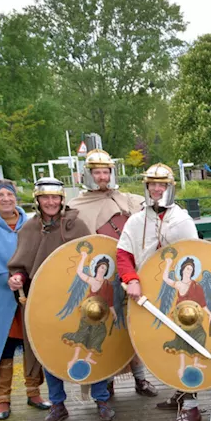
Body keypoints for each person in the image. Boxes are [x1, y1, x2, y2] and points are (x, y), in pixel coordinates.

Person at [7, 178, 114, 421]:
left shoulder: (77, 225)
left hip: (81, 302)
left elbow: (97, 258)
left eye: (55, 197)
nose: (51, 202)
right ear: (38, 200)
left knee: (90, 345)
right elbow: (22, 266)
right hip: (46, 301)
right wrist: (16, 278)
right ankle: (57, 403)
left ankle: (101, 398)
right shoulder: (29, 229)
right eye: (46, 197)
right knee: (49, 351)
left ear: (62, 199)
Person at [117, 163, 202, 421]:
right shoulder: (136, 220)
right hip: (146, 295)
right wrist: (131, 279)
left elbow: (197, 256)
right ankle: (179, 391)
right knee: (164, 346)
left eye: (161, 184)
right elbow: (123, 255)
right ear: (146, 187)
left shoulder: (182, 220)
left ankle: (191, 405)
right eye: (152, 184)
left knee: (185, 344)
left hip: (177, 294)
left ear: (169, 187)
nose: (156, 189)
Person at [67, 148, 157, 398]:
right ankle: (106, 384)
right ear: (89, 174)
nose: (102, 177)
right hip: (102, 278)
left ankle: (141, 380)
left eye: (106, 171)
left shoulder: (130, 200)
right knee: (105, 329)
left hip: (133, 273)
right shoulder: (76, 207)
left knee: (133, 327)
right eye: (97, 172)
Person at [0, 179, 50, 420]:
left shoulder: (30, 222)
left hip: (30, 290)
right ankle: (2, 398)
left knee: (31, 342)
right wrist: (7, 278)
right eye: (0, 195)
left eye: (9, 194)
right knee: (2, 344)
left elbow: (38, 251)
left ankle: (33, 391)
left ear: (16, 197)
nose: (6, 199)